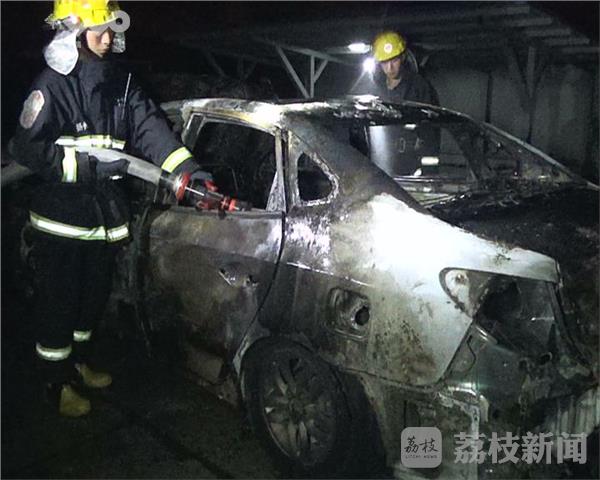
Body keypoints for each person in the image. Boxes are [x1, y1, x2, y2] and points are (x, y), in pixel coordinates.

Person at [9, 0, 208, 417]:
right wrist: (84, 168)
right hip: (63, 220)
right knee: (59, 304)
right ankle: (55, 382)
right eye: (99, 30)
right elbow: (27, 148)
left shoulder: (120, 82)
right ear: (74, 33)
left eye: (110, 29)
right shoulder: (53, 84)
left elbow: (151, 129)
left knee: (91, 300)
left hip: (102, 218)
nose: (108, 38)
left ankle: (78, 364)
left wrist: (190, 173)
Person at [369, 30, 439, 105]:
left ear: (403, 57)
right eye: (385, 62)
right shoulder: (373, 85)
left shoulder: (419, 86)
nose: (390, 67)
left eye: (394, 60)